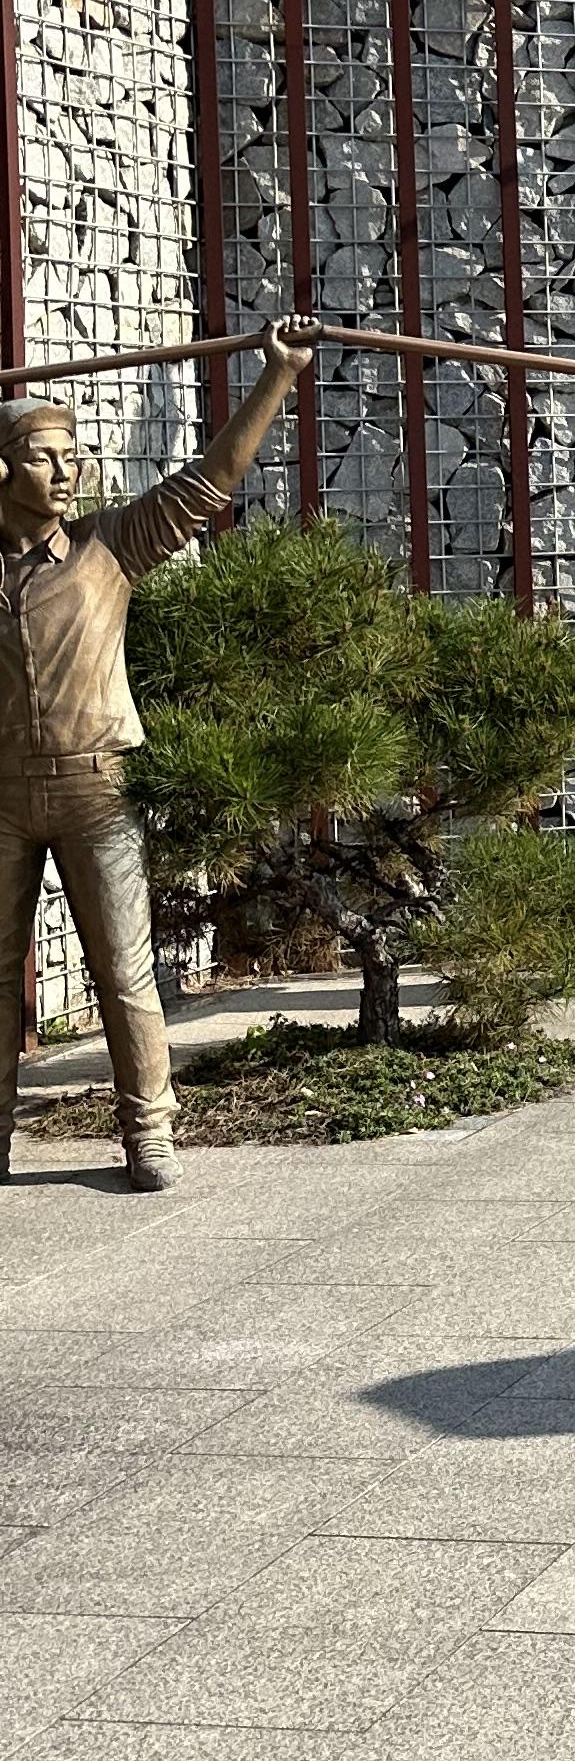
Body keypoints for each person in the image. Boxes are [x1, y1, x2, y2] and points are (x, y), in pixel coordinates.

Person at [0, 320, 316, 1189]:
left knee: (125, 974)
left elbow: (208, 484)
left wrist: (278, 375)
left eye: (71, 456)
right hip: (1, 797)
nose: (66, 472)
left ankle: (149, 1133)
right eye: (43, 458)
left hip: (99, 788)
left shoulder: (107, 548)